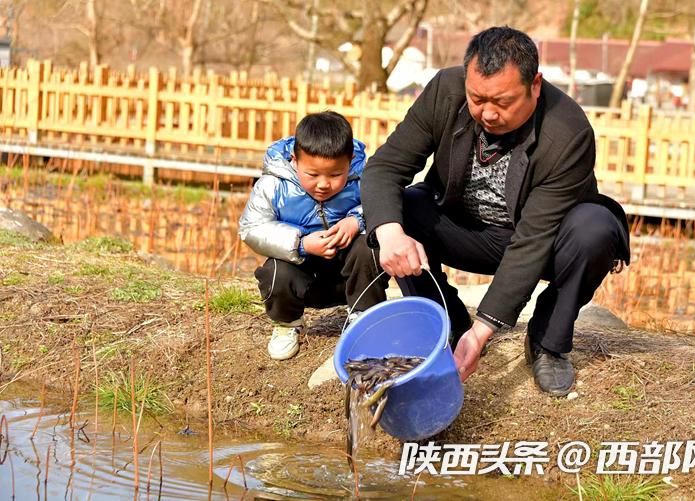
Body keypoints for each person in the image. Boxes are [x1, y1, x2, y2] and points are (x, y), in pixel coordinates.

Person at [360, 26, 630, 396]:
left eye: (502, 102)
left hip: (544, 243)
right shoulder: (445, 90)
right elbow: (385, 168)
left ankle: (547, 341)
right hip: (465, 229)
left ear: (535, 85)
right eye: (477, 99)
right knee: (396, 210)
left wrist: (483, 330)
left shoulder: (567, 131)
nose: (487, 113)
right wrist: (390, 233)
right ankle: (444, 322)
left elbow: (533, 240)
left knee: (595, 229)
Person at [239, 111, 388, 361]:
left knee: (369, 248)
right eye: (313, 175)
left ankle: (364, 318)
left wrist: (357, 220)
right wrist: (300, 243)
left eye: (335, 175)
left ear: (350, 162)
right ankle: (288, 323)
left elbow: (385, 204)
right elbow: (251, 227)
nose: (323, 184)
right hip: (302, 275)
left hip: (348, 276)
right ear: (294, 160)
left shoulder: (364, 178)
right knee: (275, 271)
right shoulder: (274, 185)